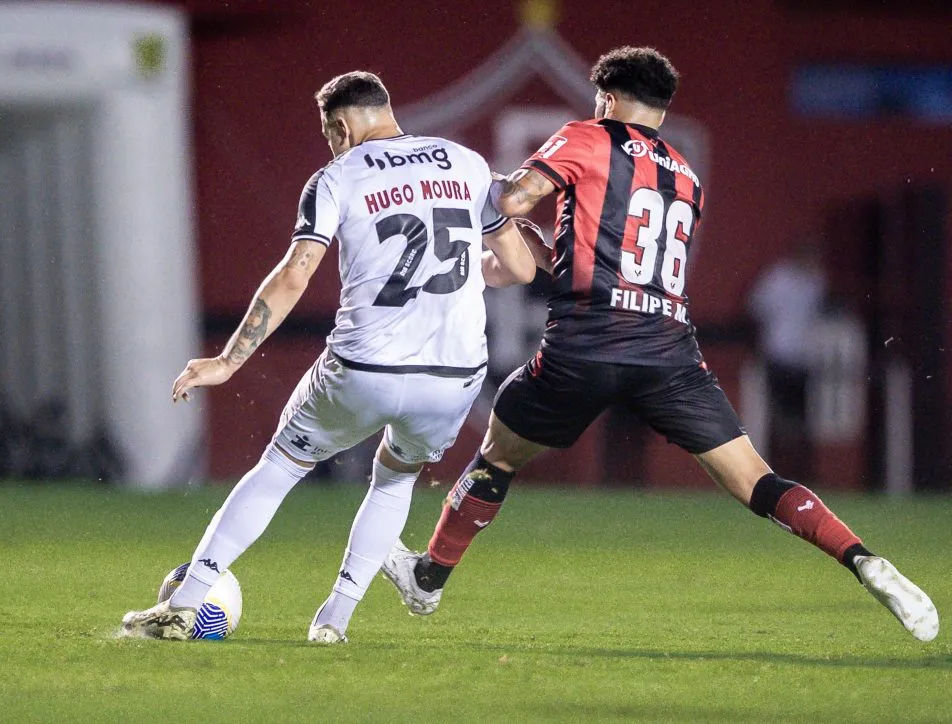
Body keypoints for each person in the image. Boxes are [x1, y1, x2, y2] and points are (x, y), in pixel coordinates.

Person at [382, 47, 939, 642]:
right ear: (663, 112)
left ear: (606, 98)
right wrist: (549, 250)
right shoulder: (686, 175)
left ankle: (429, 577)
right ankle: (861, 558)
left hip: (586, 344)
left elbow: (516, 200)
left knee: (498, 455)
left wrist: (487, 195)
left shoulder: (587, 136)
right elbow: (625, 266)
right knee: (756, 480)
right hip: (668, 352)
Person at [121, 71, 536, 643]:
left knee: (278, 469)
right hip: (453, 376)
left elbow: (295, 273)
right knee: (393, 482)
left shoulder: (337, 177)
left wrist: (227, 361)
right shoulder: (464, 163)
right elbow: (519, 269)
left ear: (341, 126)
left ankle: (185, 605)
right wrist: (473, 272)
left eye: (329, 133)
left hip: (364, 369)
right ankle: (333, 620)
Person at [747, 242, 827, 479]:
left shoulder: (816, 281)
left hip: (803, 359)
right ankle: (772, 472)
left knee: (803, 420)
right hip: (777, 356)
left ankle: (802, 474)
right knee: (776, 418)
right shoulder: (778, 278)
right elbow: (755, 307)